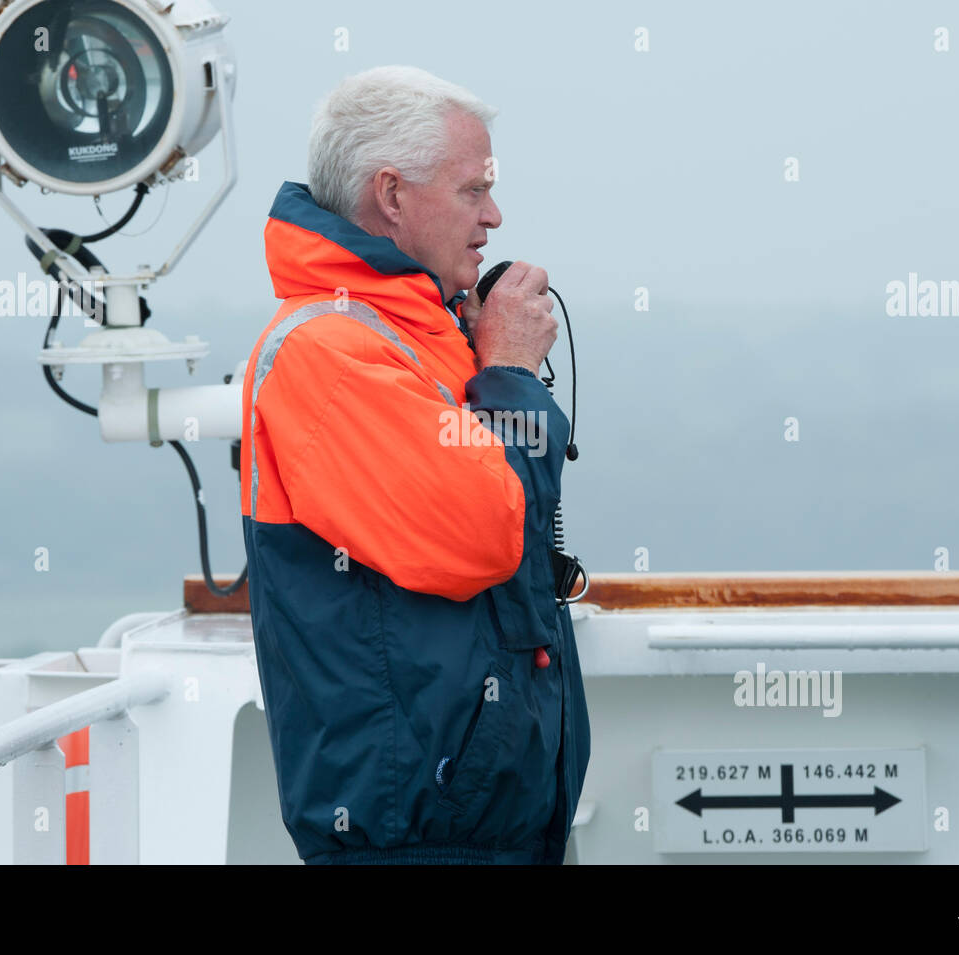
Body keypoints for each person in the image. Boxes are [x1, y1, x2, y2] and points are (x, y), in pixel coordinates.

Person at [240, 64, 589, 865]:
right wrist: (503, 373)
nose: (494, 216)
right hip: (414, 838)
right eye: (472, 190)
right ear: (391, 196)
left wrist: (478, 357)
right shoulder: (329, 351)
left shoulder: (413, 337)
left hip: (474, 828)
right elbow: (482, 535)